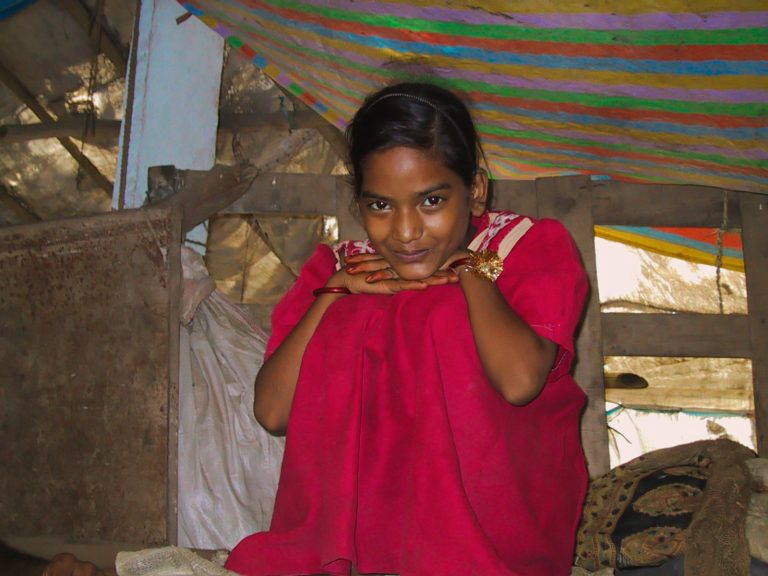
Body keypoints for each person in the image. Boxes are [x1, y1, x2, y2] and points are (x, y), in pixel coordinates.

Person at [224, 81, 589, 576]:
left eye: (432, 201)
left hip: (489, 544)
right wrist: (334, 292)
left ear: (475, 190)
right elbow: (271, 411)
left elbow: (521, 381)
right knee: (352, 315)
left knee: (439, 312)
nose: (406, 230)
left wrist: (473, 270)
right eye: (380, 206)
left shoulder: (524, 249)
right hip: (357, 548)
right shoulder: (336, 268)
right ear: (360, 206)